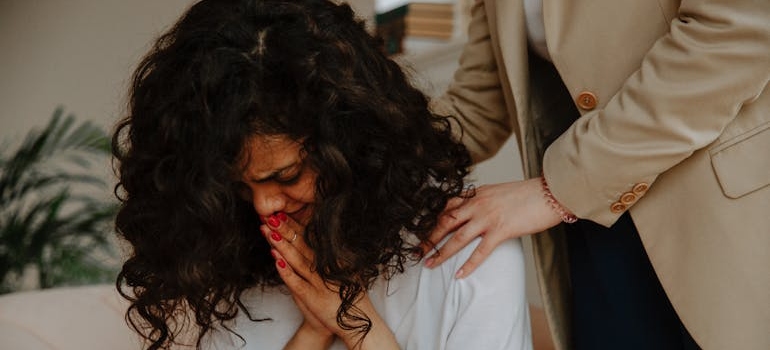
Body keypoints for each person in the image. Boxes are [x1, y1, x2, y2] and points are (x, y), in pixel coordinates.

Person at [111, 0, 532, 349]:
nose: (264, 205)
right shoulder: (238, 252)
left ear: (352, 146)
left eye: (288, 175)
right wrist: (314, 330)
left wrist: (352, 320)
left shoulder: (469, 253)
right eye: (240, 187)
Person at [423, 1, 770, 350]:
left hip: (721, 210)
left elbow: (736, 30)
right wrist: (373, 127)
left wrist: (556, 190)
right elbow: (476, 106)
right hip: (599, 222)